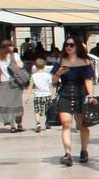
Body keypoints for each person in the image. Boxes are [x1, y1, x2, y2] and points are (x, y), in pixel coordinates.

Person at [54, 39, 94, 167]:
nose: (68, 47)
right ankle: (67, 154)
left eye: (72, 45)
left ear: (77, 47)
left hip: (81, 95)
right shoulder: (61, 62)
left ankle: (84, 150)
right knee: (66, 124)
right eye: (66, 45)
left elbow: (88, 81)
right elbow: (53, 81)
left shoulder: (85, 62)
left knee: (83, 125)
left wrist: (91, 96)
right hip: (65, 94)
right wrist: (58, 73)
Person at [0, 39, 28, 133]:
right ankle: (19, 124)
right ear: (9, 47)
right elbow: (20, 66)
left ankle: (12, 126)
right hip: (15, 83)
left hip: (4, 82)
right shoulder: (14, 55)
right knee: (18, 104)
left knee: (8, 106)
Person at [29, 59, 55, 133]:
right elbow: (50, 86)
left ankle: (38, 123)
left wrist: (27, 96)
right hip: (47, 95)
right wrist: (53, 95)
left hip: (37, 95)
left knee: (37, 110)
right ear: (44, 67)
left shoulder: (33, 76)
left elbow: (30, 86)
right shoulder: (48, 75)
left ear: (36, 67)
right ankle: (47, 123)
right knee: (48, 110)